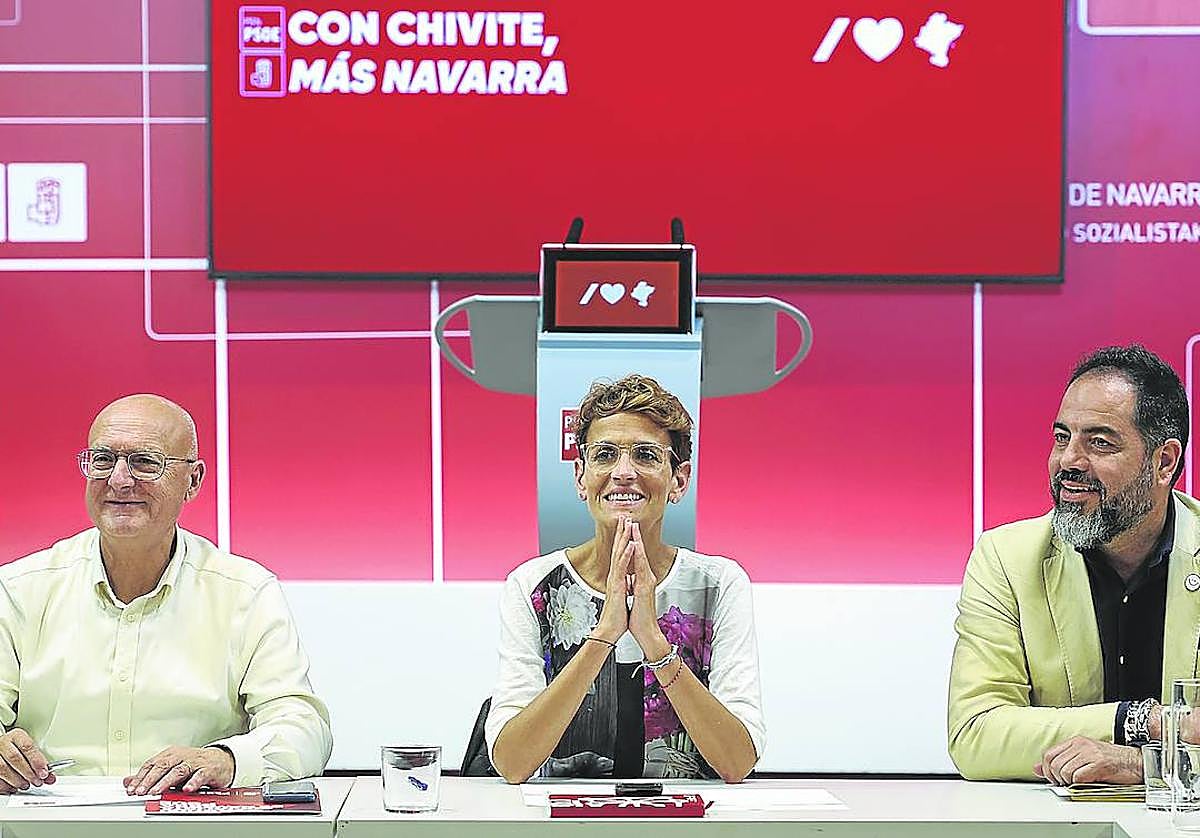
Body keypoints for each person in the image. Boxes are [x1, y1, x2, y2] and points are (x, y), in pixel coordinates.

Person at [0, 394, 332, 794]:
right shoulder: (20, 589)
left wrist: (226, 760)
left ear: (193, 480)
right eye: (103, 460)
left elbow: (304, 728)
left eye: (145, 462)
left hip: (190, 826)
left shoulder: (244, 592)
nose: (119, 481)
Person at [485, 374, 765, 783]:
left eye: (647, 456)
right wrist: (604, 635)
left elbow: (737, 763)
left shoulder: (719, 586)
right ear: (581, 476)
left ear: (679, 480)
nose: (623, 472)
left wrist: (653, 638)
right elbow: (511, 764)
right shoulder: (533, 586)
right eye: (604, 455)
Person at [948, 345, 1197, 783]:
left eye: (1099, 442)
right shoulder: (1007, 558)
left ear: (1164, 462)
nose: (1068, 462)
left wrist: (1144, 766)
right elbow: (976, 734)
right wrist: (1143, 722)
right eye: (1062, 438)